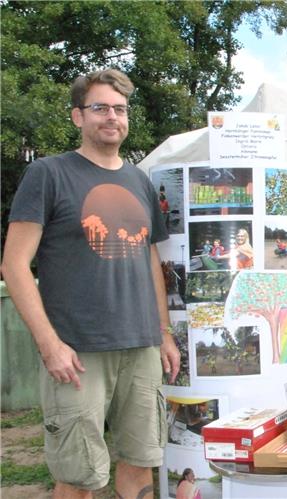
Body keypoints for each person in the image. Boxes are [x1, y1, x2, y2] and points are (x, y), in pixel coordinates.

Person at [1, 69, 180, 497]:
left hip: (141, 347)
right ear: (77, 116)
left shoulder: (138, 180)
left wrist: (164, 333)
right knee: (79, 477)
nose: (112, 117)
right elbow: (14, 264)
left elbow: (149, 258)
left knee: (141, 464)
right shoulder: (48, 174)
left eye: (120, 109)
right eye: (100, 108)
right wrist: (50, 344)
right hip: (77, 350)